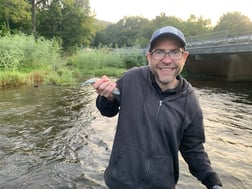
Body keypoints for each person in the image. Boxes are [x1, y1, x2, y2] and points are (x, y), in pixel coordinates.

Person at [92, 26, 222, 189]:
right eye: (159, 52)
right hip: (119, 182)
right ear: (149, 56)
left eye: (175, 52)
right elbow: (107, 110)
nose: (167, 60)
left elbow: (193, 148)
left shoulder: (190, 101)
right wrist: (106, 97)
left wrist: (212, 180)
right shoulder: (132, 78)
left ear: (184, 57)